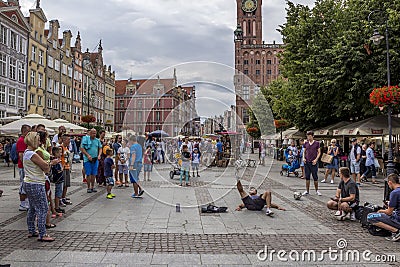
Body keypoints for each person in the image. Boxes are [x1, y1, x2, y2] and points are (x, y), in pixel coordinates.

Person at [23, 132, 57, 242]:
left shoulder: (26, 153)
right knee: (43, 208)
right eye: (37, 140)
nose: (39, 142)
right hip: (36, 183)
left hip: (29, 182)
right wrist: (51, 163)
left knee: (32, 208)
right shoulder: (32, 154)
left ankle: (32, 230)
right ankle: (42, 234)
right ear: (33, 141)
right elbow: (45, 166)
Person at [367, 173, 400, 242]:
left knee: (370, 216)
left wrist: (380, 211)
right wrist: (390, 203)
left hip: (398, 218)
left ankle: (396, 231)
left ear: (390, 182)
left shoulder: (394, 193)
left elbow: (389, 212)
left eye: (388, 183)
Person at [80, 129, 102, 193]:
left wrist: (99, 155)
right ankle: (88, 187)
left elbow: (100, 148)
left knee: (94, 174)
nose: (94, 135)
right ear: (90, 133)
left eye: (95, 133)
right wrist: (87, 155)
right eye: (93, 133)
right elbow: (82, 148)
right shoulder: (86, 139)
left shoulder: (97, 140)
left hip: (95, 159)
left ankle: (93, 186)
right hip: (87, 159)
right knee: (88, 174)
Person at [302, 131, 322, 196]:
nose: (309, 137)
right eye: (308, 136)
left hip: (313, 162)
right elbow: (304, 152)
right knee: (307, 177)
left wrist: (316, 159)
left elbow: (319, 152)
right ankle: (307, 190)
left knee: (315, 176)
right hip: (307, 162)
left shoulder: (317, 143)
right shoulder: (306, 143)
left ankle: (317, 190)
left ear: (313, 136)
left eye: (310, 136)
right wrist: (303, 158)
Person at [17, 124, 31, 211]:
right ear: (24, 132)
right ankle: (22, 203)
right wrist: (26, 166)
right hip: (23, 166)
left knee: (25, 184)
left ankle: (26, 202)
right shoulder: (21, 141)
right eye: (28, 131)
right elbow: (21, 155)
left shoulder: (24, 140)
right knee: (23, 184)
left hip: (25, 166)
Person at [50, 146, 65, 214]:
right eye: (59, 152)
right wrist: (61, 170)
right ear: (55, 153)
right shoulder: (55, 161)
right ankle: (56, 207)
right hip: (58, 179)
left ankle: (57, 206)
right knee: (58, 193)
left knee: (59, 192)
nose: (60, 154)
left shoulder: (57, 160)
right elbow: (56, 170)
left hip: (60, 178)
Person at [60, 135, 72, 206]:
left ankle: (63, 197)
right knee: (63, 184)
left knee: (66, 184)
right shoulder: (61, 147)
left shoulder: (66, 148)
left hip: (67, 167)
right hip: (63, 167)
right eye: (68, 140)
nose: (69, 142)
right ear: (64, 140)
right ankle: (60, 198)